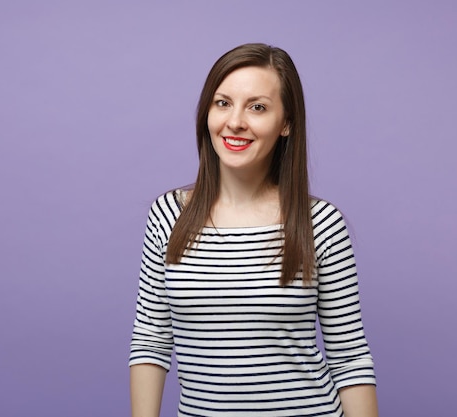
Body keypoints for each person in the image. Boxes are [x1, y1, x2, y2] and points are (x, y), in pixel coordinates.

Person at [129, 43, 378, 417]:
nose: (235, 122)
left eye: (257, 107)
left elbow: (350, 359)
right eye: (223, 103)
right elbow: (151, 341)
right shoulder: (167, 216)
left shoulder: (320, 224)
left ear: (287, 123)